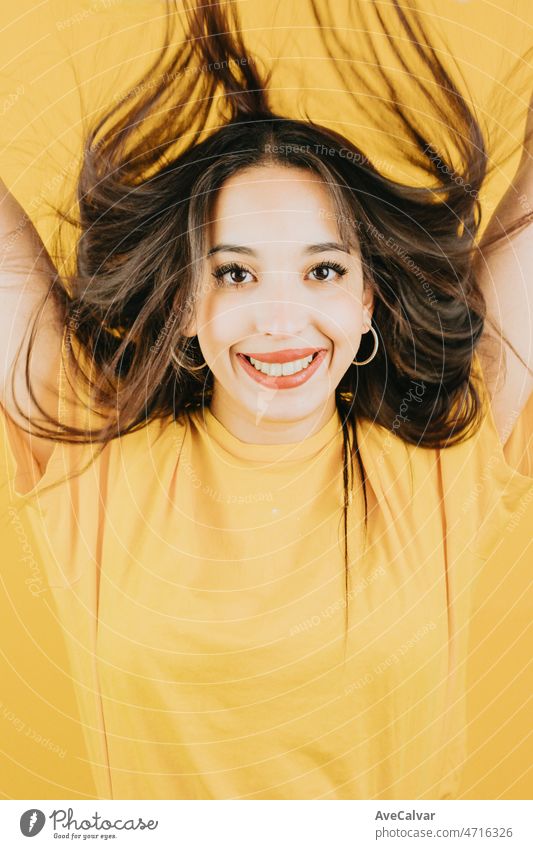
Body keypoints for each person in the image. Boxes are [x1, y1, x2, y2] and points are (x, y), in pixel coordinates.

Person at [1, 0, 532, 800]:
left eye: (322, 270)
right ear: (183, 302)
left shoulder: (450, 453)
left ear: (367, 300)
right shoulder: (89, 458)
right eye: (233, 273)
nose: (281, 321)